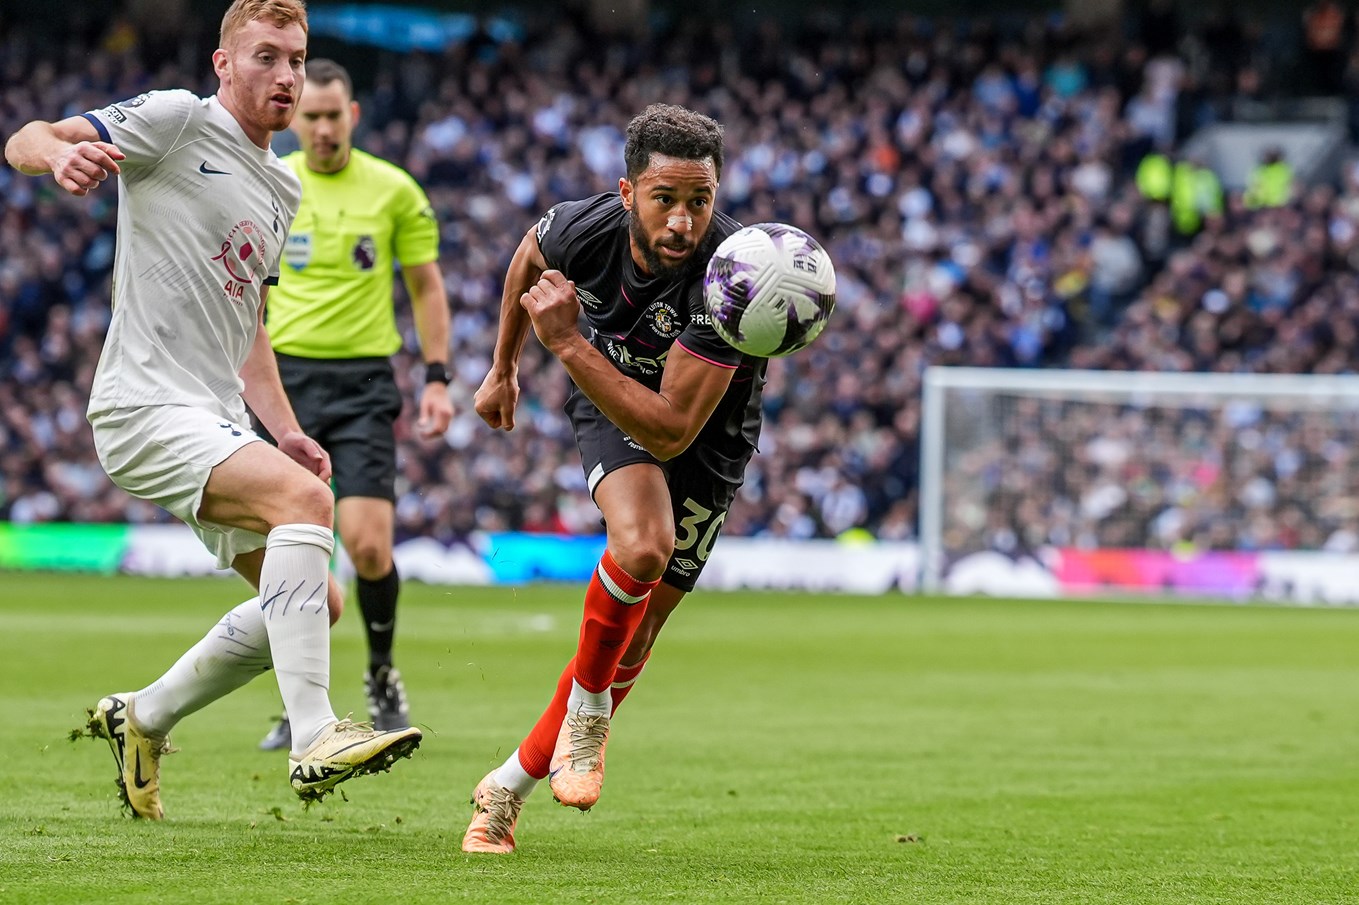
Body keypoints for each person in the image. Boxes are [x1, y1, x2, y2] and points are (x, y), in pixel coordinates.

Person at [3, 0, 421, 820]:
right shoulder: (176, 120)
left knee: (316, 600)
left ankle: (143, 715)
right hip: (143, 404)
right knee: (310, 508)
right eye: (266, 56)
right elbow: (27, 136)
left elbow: (248, 327)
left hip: (216, 415)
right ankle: (313, 738)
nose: (286, 76)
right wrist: (58, 157)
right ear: (223, 64)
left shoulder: (280, 186)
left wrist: (287, 429)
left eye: (296, 59)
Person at [463, 103, 758, 853]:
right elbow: (527, 260)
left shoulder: (731, 280)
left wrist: (561, 341)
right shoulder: (581, 229)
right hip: (608, 395)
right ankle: (589, 716)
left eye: (701, 200)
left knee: (641, 629)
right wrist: (502, 369)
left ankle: (503, 789)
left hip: (705, 435)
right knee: (642, 543)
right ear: (628, 194)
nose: (684, 221)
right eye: (666, 199)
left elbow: (671, 427)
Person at [255, 59, 453, 752]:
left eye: (332, 115)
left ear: (353, 115)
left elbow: (426, 287)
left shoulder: (394, 190)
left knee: (368, 546)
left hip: (364, 382)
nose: (320, 128)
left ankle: (380, 673)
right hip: (286, 384)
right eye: (308, 116)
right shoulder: (271, 179)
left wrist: (436, 376)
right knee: (290, 555)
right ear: (294, 117)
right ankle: (299, 701)